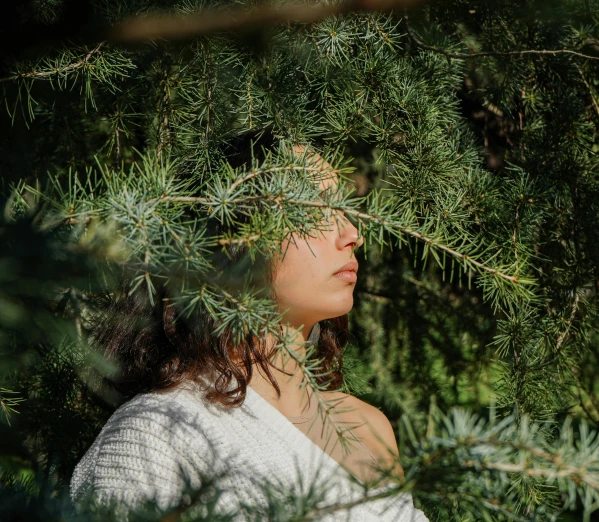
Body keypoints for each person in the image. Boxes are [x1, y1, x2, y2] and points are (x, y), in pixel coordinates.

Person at [69, 136, 429, 521]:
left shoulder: (366, 427)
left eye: (343, 208)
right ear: (232, 239)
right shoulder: (156, 435)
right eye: (311, 212)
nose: (352, 233)